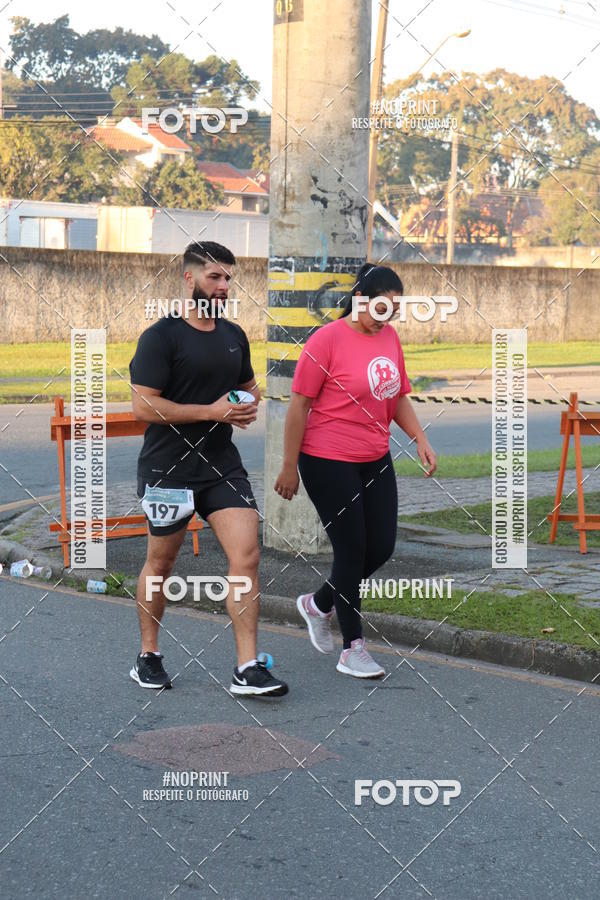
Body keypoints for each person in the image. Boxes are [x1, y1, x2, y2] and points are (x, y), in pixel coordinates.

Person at [128, 241, 288, 697]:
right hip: (167, 470)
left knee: (247, 557)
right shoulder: (161, 337)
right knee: (162, 563)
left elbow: (250, 390)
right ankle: (149, 656)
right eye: (215, 277)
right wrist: (212, 412)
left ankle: (248, 667)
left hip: (221, 467)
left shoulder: (234, 335)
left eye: (228, 278)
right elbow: (143, 406)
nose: (223, 286)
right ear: (189, 278)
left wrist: (245, 406)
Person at [274, 263, 437, 679]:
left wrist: (419, 436)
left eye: (396, 309)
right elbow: (298, 407)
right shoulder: (325, 340)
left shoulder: (390, 339)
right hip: (326, 457)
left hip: (374, 456)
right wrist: (289, 465)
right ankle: (353, 648)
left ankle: (318, 604)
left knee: (379, 547)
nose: (391, 315)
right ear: (363, 298)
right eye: (385, 306)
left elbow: (396, 395)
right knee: (351, 550)